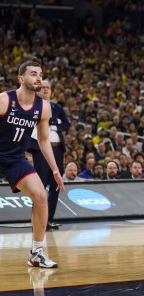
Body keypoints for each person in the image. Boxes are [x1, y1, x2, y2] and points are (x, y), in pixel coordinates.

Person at [0, 60, 65, 268]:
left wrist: (54, 169)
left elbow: (44, 141)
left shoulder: (43, 108)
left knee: (41, 196)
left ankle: (36, 253)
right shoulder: (4, 100)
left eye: (40, 74)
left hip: (15, 159)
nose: (38, 77)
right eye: (33, 74)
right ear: (21, 78)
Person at [26, 79, 71, 231]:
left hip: (57, 149)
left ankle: (48, 220)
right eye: (43, 87)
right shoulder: (32, 106)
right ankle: (37, 221)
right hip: (41, 150)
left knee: (55, 186)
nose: (45, 90)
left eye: (48, 88)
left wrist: (53, 123)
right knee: (40, 186)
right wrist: (52, 122)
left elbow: (66, 124)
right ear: (38, 90)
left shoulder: (56, 107)